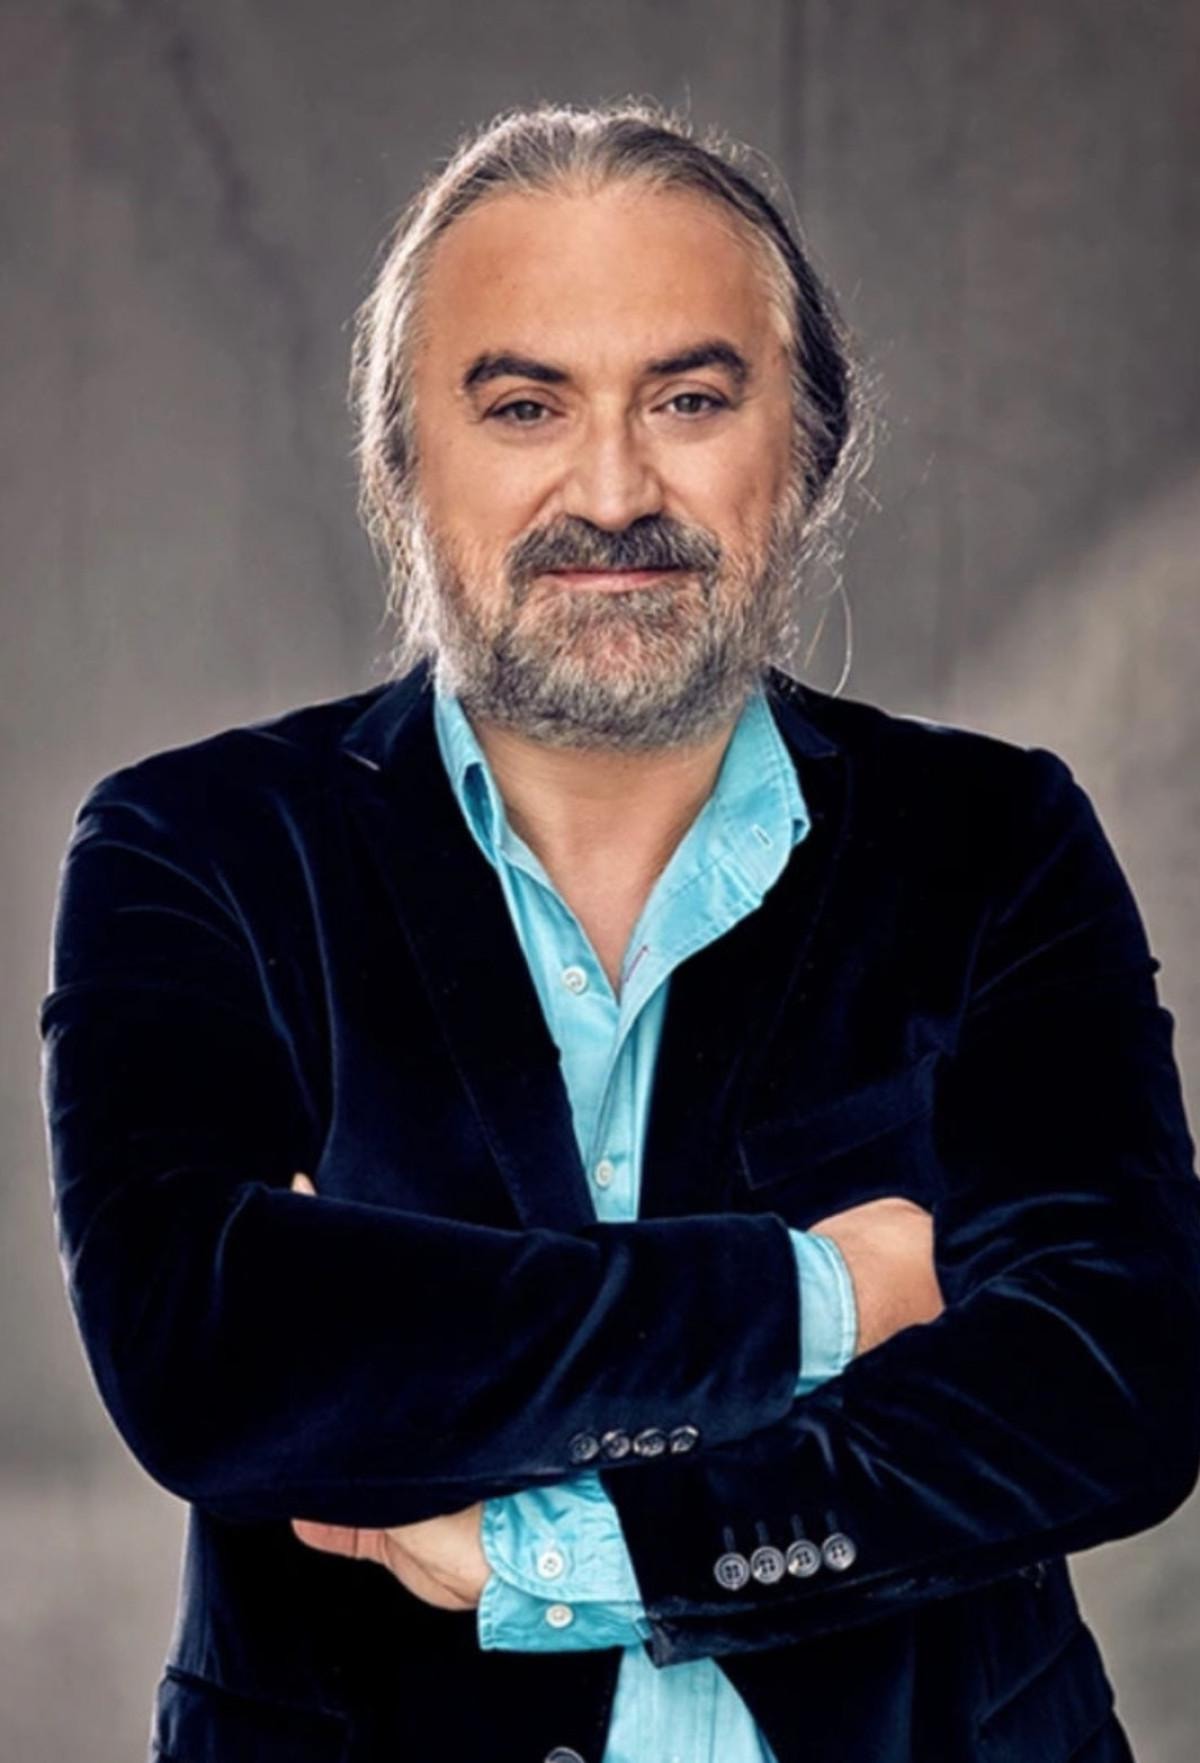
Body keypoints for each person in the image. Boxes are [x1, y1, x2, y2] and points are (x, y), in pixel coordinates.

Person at [38, 100, 1200, 1763]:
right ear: (402, 466)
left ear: (809, 446)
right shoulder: (197, 848)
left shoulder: (995, 841)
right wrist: (818, 1299)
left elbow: (1112, 1381)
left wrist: (570, 1543)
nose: (612, 489)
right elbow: (209, 1352)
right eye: (524, 406)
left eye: (691, 400)